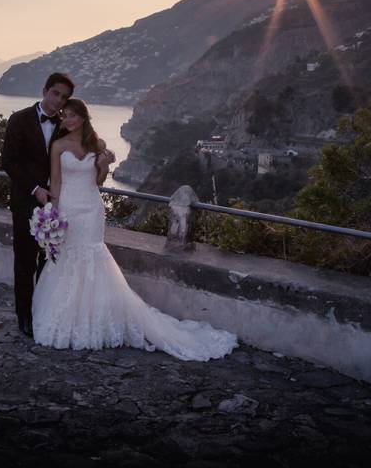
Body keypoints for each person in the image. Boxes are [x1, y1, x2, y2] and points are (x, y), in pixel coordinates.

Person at [32, 98, 238, 361]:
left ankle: (98, 319)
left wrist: (104, 164)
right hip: (68, 210)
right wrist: (53, 215)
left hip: (92, 209)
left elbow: (98, 179)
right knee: (68, 257)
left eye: (72, 115)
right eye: (64, 116)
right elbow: (56, 183)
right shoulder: (58, 146)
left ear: (83, 117)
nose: (67, 120)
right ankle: (67, 318)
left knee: (94, 255)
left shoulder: (98, 144)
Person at [1, 73, 114, 337]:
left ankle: (45, 312)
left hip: (62, 204)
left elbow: (86, 149)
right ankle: (25, 317)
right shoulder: (19, 120)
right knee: (25, 262)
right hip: (27, 201)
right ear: (45, 91)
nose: (58, 101)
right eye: (55, 94)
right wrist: (36, 190)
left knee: (51, 263)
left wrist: (105, 156)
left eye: (64, 98)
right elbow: (9, 162)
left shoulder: (65, 127)